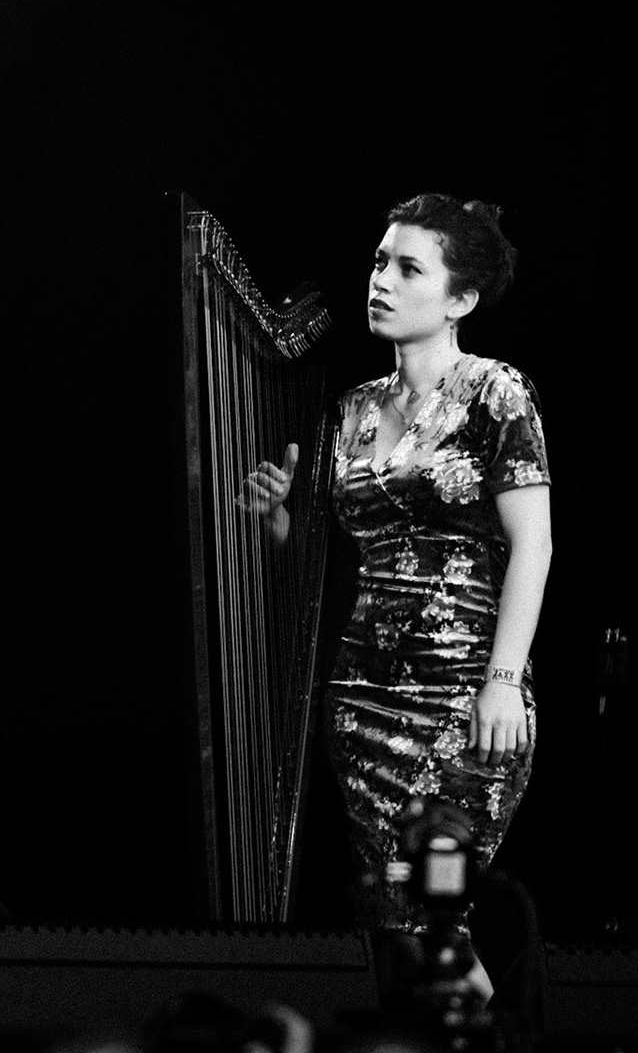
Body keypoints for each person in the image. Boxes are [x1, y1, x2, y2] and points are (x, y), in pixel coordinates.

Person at [239, 193, 551, 1003]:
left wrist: (503, 681)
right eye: (380, 260)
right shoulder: (350, 411)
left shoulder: (495, 394)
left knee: (431, 918)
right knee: (397, 926)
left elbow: (535, 545)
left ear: (460, 300)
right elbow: (326, 566)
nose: (380, 278)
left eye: (409, 267)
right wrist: (278, 523)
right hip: (360, 704)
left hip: (461, 701)